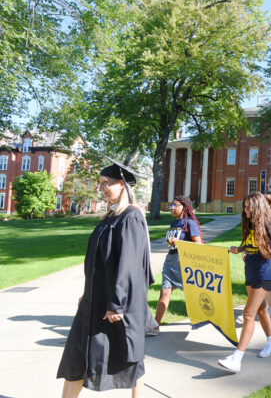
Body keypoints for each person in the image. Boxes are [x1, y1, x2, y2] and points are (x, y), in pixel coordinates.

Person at [58, 160, 154, 397]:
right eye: (99, 183)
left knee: (129, 359)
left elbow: (129, 265)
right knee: (76, 357)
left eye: (105, 183)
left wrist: (116, 304)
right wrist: (87, 292)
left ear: (121, 185)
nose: (100, 188)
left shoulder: (130, 217)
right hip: (95, 299)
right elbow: (98, 262)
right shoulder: (110, 218)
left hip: (114, 304)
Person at [219, 192, 271, 373]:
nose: (246, 209)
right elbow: (253, 245)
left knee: (249, 315)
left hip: (264, 272)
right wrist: (239, 249)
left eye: (249, 206)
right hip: (250, 269)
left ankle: (237, 358)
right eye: (245, 206)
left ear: (258, 207)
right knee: (262, 309)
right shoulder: (250, 223)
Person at [149, 195, 203, 336]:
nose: (172, 208)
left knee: (192, 293)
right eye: (171, 205)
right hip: (170, 260)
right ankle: (155, 325)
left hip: (184, 262)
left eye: (175, 205)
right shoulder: (174, 223)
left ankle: (204, 318)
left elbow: (199, 245)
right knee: (165, 291)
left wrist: (179, 243)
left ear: (184, 207)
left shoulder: (189, 223)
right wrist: (172, 242)